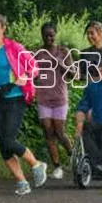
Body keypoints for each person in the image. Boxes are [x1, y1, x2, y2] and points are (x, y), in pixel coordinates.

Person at [0, 13, 47, 195]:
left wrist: (26, 76)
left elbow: (34, 67)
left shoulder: (15, 47)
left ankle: (36, 164)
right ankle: (21, 181)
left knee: (8, 139)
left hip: (15, 97)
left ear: (3, 28)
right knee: (2, 144)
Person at [34, 22, 74, 179]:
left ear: (55, 34)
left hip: (59, 97)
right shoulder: (37, 53)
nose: (49, 37)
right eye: (46, 34)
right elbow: (31, 72)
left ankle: (72, 154)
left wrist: (61, 64)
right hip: (43, 97)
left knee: (59, 131)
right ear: (42, 35)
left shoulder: (63, 51)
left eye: (51, 34)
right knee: (48, 132)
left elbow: (72, 74)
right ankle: (57, 167)